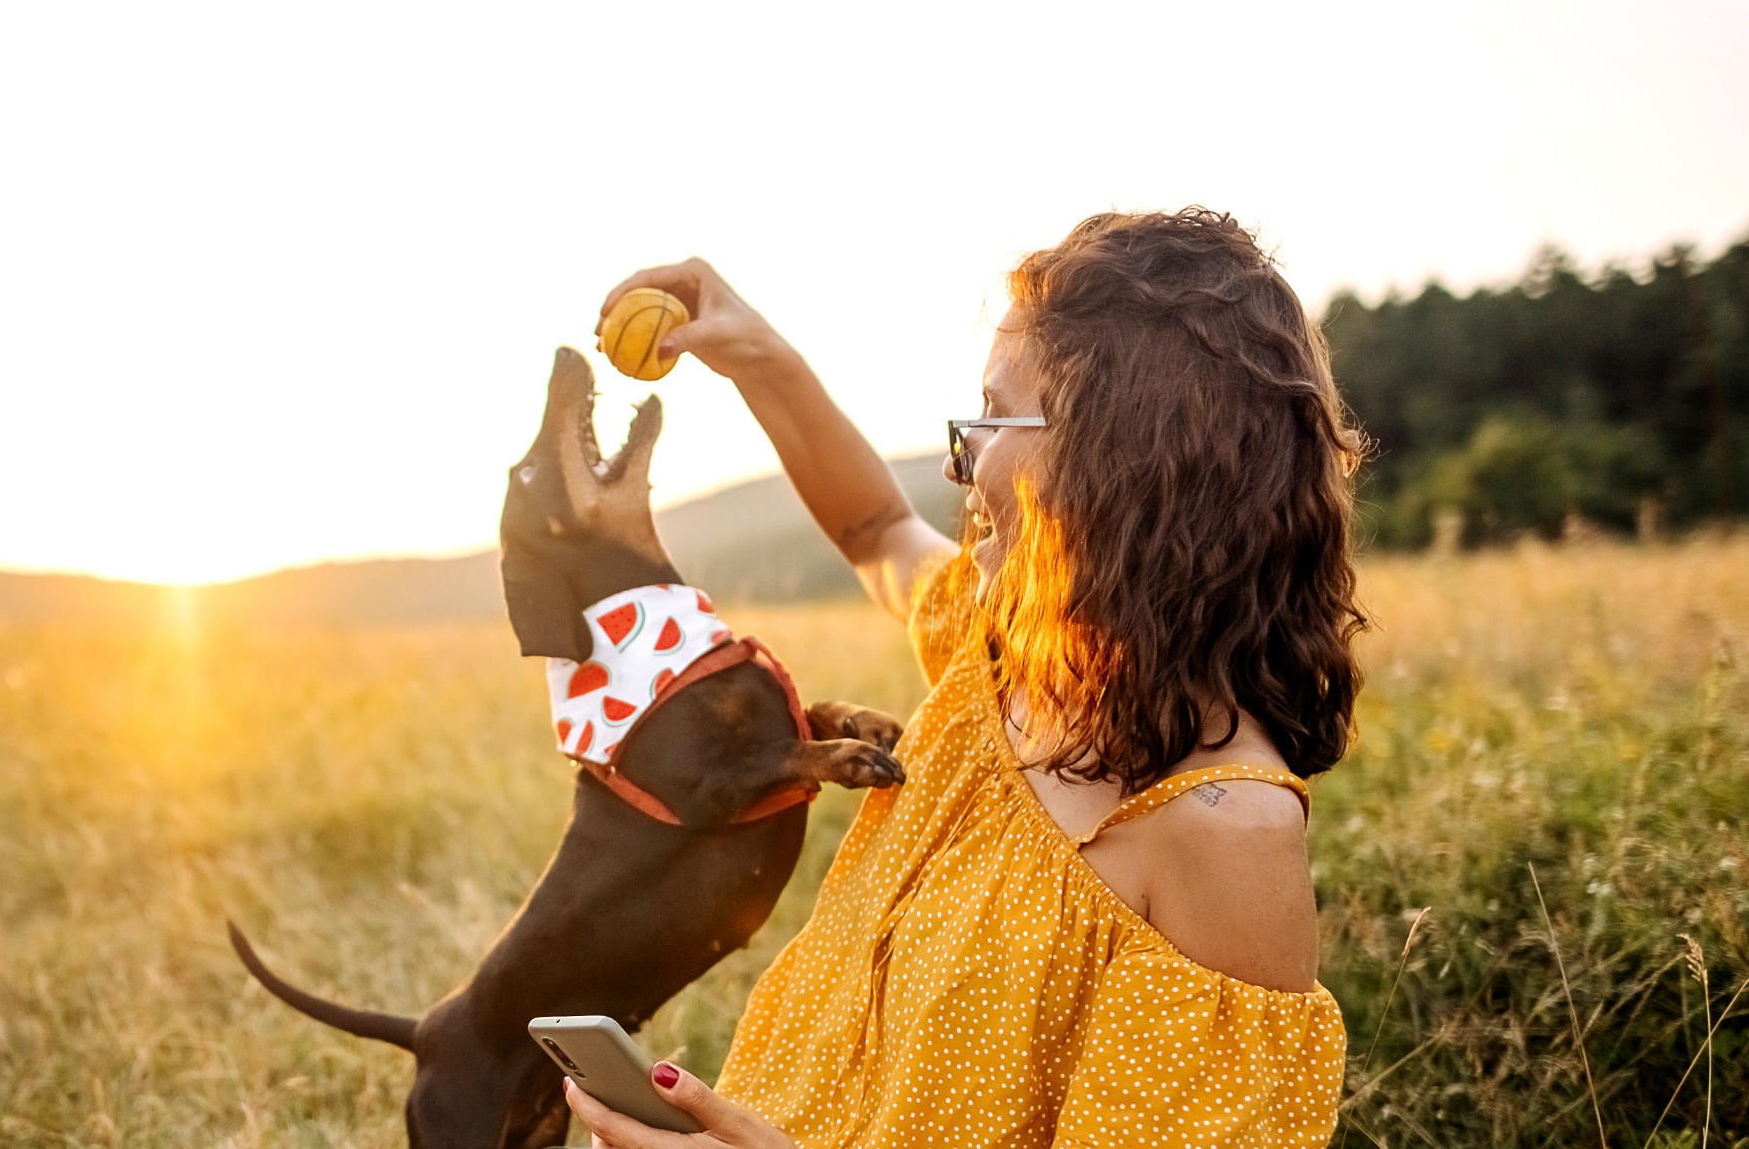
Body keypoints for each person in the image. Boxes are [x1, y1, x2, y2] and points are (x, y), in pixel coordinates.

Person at [565, 210, 1363, 1149]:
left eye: (992, 417)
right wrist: (757, 355)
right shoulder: (1003, 659)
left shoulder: (1226, 839)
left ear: (1121, 456)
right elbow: (873, 531)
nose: (960, 461)